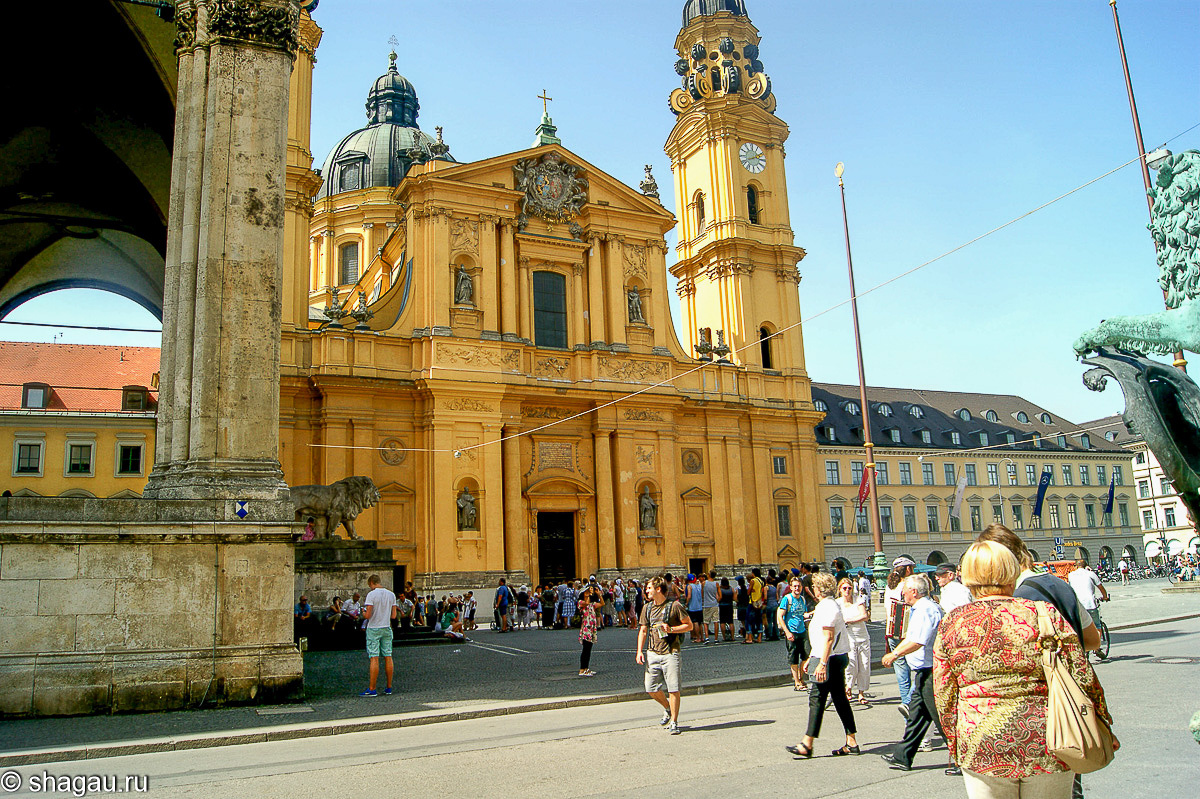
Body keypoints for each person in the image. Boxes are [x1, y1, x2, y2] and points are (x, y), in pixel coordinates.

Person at [935, 541, 1114, 798]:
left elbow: (944, 693)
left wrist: (956, 742)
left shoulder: (952, 622)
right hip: (1047, 735)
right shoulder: (1043, 612)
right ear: (1012, 571)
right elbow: (1081, 673)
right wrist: (1103, 722)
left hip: (981, 739)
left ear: (967, 577)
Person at [784, 571, 859, 758]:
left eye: (814, 586)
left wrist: (822, 663)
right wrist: (812, 657)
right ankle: (852, 741)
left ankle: (807, 743)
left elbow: (828, 638)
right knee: (840, 699)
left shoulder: (827, 607)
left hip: (830, 658)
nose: (812, 589)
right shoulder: (827, 605)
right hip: (832, 656)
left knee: (816, 698)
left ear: (819, 589)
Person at [880, 573, 947, 772]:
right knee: (917, 717)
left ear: (914, 592)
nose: (903, 594)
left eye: (905, 591)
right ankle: (902, 756)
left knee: (941, 718)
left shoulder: (925, 609)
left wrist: (894, 653)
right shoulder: (922, 608)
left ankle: (962, 758)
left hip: (930, 671)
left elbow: (918, 640)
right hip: (924, 672)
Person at [636, 576, 691, 734]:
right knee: (651, 688)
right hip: (652, 653)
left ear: (658, 589)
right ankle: (667, 708)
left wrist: (671, 630)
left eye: (648, 588)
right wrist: (639, 651)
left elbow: (689, 625)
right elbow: (643, 630)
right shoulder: (647, 608)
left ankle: (674, 721)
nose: (646, 590)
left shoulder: (675, 606)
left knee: (673, 688)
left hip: (671, 652)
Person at [885, 556, 916, 719]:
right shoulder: (908, 585)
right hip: (907, 632)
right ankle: (909, 704)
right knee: (919, 671)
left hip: (892, 632)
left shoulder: (889, 587)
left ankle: (907, 713)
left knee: (903, 676)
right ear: (908, 569)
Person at [360, 574, 397, 697]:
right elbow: (394, 616)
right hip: (386, 627)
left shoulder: (372, 595)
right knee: (388, 655)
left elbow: (368, 616)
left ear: (371, 583)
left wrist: (363, 612)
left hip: (374, 628)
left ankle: (372, 689)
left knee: (374, 657)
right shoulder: (391, 594)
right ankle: (389, 687)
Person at [836, 577, 871, 706]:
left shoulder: (858, 600)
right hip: (849, 637)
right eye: (844, 588)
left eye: (849, 588)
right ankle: (848, 688)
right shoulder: (837, 603)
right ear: (840, 590)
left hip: (862, 636)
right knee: (851, 665)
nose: (847, 590)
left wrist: (849, 620)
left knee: (865, 665)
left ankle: (861, 692)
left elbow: (864, 616)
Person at [777, 575, 810, 691]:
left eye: (799, 586)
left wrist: (808, 615)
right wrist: (786, 632)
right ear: (791, 587)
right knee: (793, 658)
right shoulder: (787, 599)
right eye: (795, 586)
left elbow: (803, 614)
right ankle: (797, 682)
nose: (797, 588)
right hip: (791, 632)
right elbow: (780, 615)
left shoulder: (802, 599)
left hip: (802, 631)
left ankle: (801, 677)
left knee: (806, 656)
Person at [1067, 559, 1109, 632]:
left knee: (1080, 625)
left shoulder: (1070, 575)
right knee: (1097, 624)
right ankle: (1097, 642)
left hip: (1077, 605)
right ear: (1086, 566)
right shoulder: (1091, 574)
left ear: (1076, 566)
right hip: (1090, 604)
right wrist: (1105, 597)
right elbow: (1101, 587)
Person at [578, 586, 603, 676]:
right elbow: (586, 603)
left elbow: (602, 603)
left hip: (591, 628)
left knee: (589, 649)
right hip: (586, 628)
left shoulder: (592, 604)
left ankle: (586, 668)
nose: (589, 592)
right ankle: (582, 669)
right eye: (587, 591)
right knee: (585, 649)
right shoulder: (581, 602)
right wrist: (588, 595)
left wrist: (599, 595)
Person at [686, 574, 706, 644]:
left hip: (693, 606)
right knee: (700, 623)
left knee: (695, 622)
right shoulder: (699, 585)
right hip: (699, 606)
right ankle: (702, 637)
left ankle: (697, 638)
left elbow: (689, 596)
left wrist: (686, 603)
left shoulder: (689, 586)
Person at [702, 570, 720, 643]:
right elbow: (720, 595)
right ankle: (716, 638)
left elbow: (702, 594)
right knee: (716, 621)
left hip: (707, 604)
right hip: (714, 604)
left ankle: (707, 638)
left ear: (709, 575)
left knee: (706, 622)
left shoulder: (704, 583)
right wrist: (717, 600)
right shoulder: (716, 584)